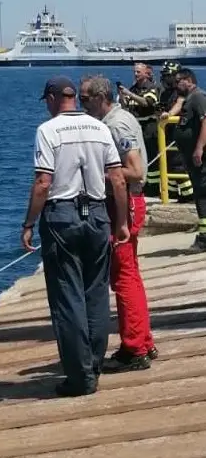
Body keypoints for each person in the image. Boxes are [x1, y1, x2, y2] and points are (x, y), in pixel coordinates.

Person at [22, 76, 130, 397]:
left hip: (63, 215)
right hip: (96, 214)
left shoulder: (48, 130)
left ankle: (80, 377)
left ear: (54, 98)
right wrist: (121, 222)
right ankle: (93, 365)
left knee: (67, 297)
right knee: (96, 293)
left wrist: (28, 222)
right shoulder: (100, 128)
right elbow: (118, 179)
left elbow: (43, 182)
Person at [79, 75, 157, 372]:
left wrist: (100, 172)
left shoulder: (115, 124)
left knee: (123, 277)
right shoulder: (120, 118)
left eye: (85, 99)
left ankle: (134, 347)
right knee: (130, 275)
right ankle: (143, 340)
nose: (82, 105)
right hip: (123, 203)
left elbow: (136, 171)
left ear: (100, 97)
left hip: (123, 205)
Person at [173, 68, 206, 250]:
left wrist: (199, 148)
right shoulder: (188, 99)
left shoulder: (198, 97)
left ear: (189, 81)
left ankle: (204, 236)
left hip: (200, 157)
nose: (176, 84)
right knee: (200, 193)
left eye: (179, 81)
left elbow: (205, 121)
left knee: (202, 194)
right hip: (191, 156)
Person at [117, 63, 160, 196]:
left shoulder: (152, 88)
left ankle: (153, 188)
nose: (136, 75)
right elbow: (127, 107)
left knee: (151, 157)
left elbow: (147, 102)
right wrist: (123, 97)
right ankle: (142, 184)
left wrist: (129, 93)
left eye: (138, 72)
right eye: (134, 72)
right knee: (138, 158)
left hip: (149, 127)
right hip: (135, 127)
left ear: (146, 73)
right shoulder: (133, 88)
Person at [157, 62, 193, 202]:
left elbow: (179, 103)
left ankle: (188, 194)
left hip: (179, 132)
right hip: (167, 133)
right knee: (169, 164)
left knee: (178, 164)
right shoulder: (165, 93)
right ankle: (170, 192)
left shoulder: (182, 91)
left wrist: (169, 114)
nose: (165, 79)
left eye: (168, 76)